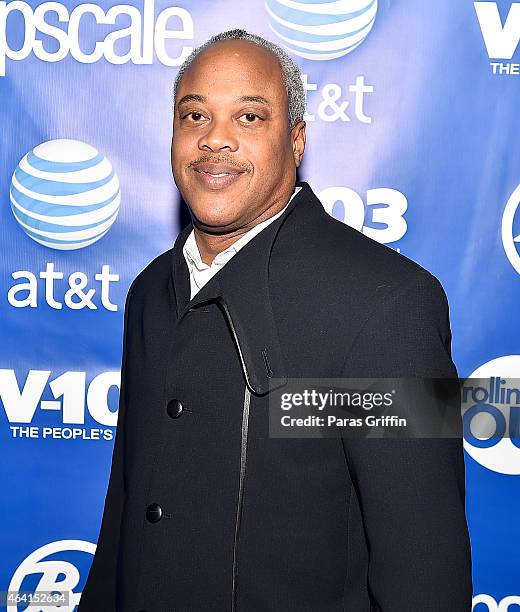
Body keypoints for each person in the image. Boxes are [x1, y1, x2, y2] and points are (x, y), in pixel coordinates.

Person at [79, 29, 472, 612]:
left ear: (296, 140)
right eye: (195, 115)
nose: (215, 140)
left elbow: (426, 571)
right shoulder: (148, 294)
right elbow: (127, 516)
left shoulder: (391, 301)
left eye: (250, 117)